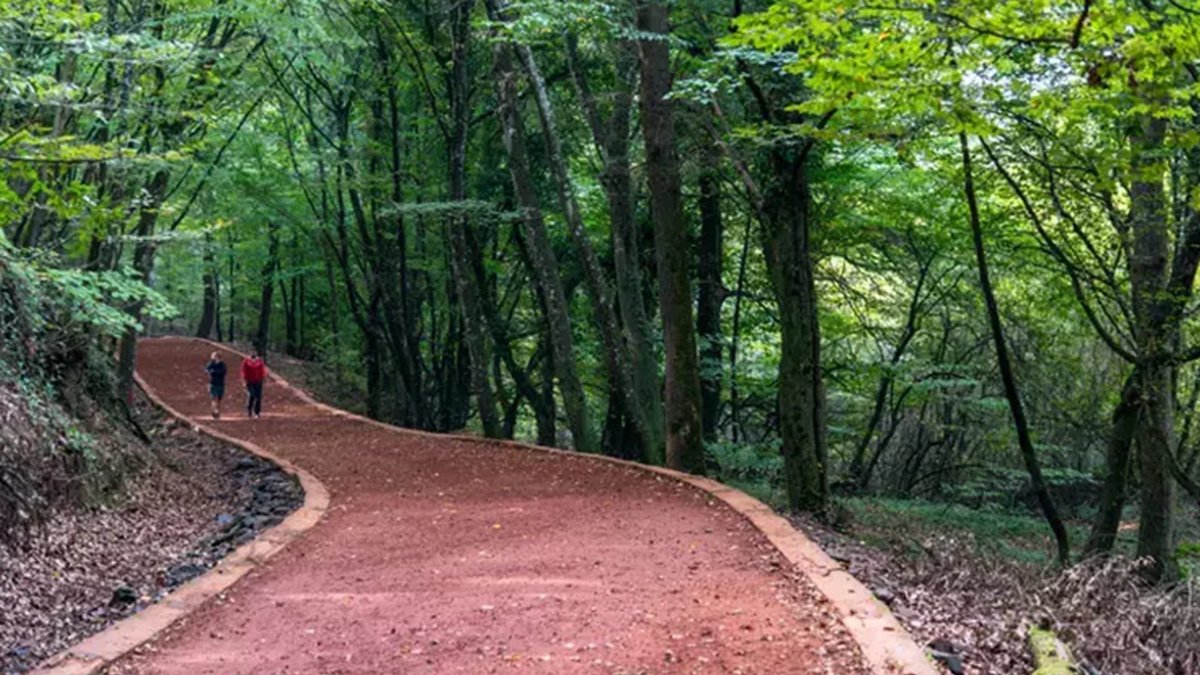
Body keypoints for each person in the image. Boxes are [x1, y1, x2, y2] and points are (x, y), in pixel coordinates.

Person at [241, 348, 267, 419]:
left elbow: (262, 370)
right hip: (249, 381)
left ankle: (257, 412)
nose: (253, 353)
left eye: (254, 352)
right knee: (251, 395)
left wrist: (263, 377)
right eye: (252, 352)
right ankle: (249, 409)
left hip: (258, 381)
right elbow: (243, 371)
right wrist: (244, 380)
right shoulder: (246, 361)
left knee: (258, 397)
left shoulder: (260, 361)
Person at [205, 352, 227, 419]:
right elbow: (207, 370)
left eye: (215, 356)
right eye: (213, 356)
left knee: (219, 399)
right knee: (214, 398)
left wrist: (213, 372)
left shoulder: (222, 365)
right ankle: (215, 411)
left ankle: (217, 410)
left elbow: (223, 371)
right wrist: (213, 372)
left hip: (221, 384)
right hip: (213, 384)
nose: (214, 358)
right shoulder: (210, 364)